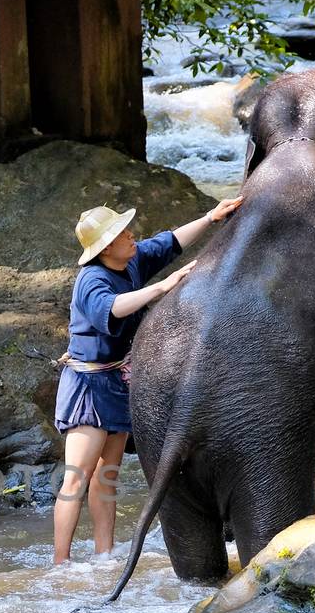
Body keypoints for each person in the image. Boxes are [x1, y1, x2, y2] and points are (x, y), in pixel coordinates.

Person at [52, 197, 242, 564]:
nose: (132, 235)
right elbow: (112, 308)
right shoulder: (92, 280)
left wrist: (210, 217)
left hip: (117, 382)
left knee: (106, 477)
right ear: (106, 247)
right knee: (76, 479)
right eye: (124, 233)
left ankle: (104, 553)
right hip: (88, 389)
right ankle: (61, 562)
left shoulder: (131, 258)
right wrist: (160, 288)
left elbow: (169, 242)